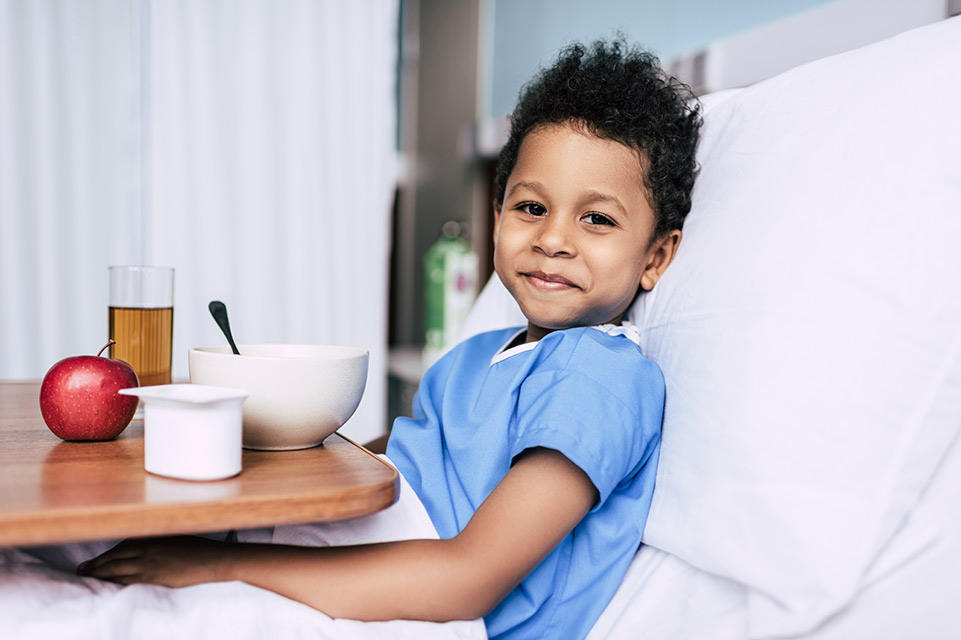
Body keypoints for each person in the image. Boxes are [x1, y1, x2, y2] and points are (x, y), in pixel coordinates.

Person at [78, 38, 702, 640]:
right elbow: (379, 466)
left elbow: (467, 579)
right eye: (531, 208)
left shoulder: (597, 376)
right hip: (349, 553)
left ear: (656, 255)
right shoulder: (475, 359)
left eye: (597, 219)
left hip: (434, 614)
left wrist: (215, 567)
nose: (553, 238)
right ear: (498, 216)